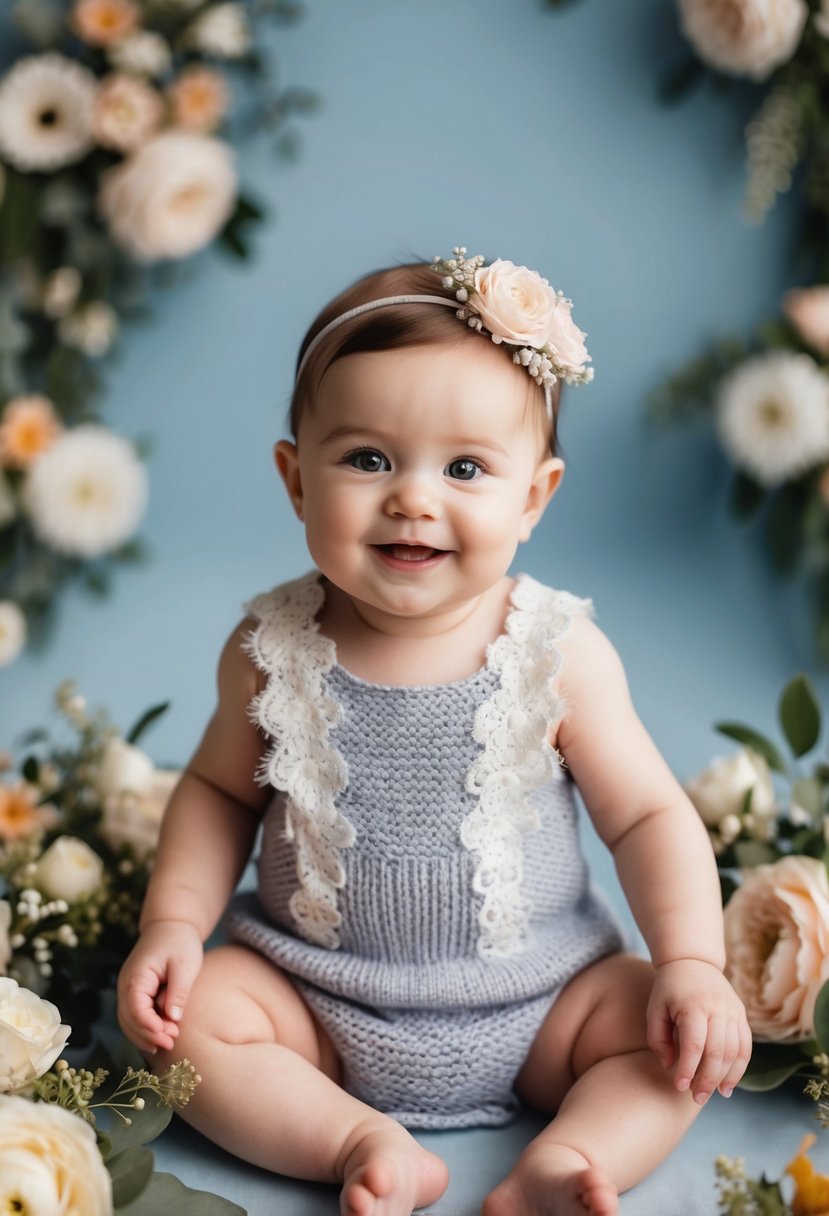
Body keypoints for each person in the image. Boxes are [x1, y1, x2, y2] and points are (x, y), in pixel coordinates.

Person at [118, 246, 751, 1216]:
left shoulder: (557, 651)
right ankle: (355, 1142)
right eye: (367, 458)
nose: (413, 496)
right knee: (187, 1030)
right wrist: (171, 925)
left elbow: (648, 816)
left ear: (533, 496)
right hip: (315, 1001)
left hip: (545, 1003)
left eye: (464, 467)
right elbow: (213, 793)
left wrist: (691, 963)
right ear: (295, 478)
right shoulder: (268, 645)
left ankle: (566, 1157)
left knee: (665, 1045)